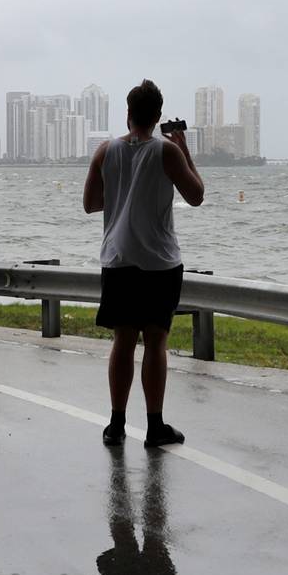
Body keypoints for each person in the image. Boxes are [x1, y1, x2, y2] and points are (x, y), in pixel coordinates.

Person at [83, 80, 204, 448]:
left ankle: (116, 425)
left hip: (118, 258)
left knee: (123, 341)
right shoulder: (167, 152)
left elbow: (90, 203)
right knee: (155, 342)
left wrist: (124, 199)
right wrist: (185, 150)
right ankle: (155, 426)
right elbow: (196, 195)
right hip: (159, 262)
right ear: (158, 117)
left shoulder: (106, 151)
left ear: (128, 113)